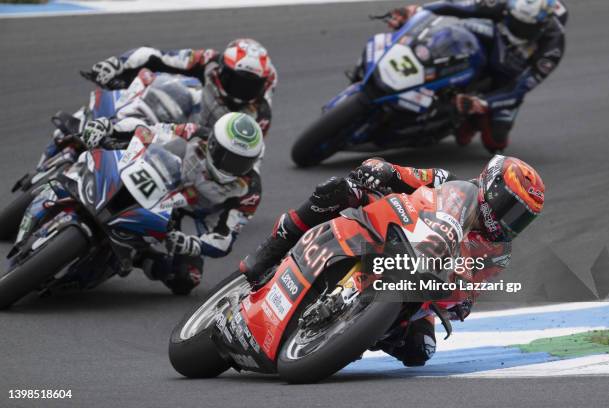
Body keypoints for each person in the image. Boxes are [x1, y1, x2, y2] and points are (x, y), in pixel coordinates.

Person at [240, 155, 545, 366]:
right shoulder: (448, 182)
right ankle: (275, 245)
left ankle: (355, 330)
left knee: (420, 351)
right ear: (492, 186)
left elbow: (470, 292)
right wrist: (383, 171)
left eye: (522, 219)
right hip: (388, 230)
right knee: (340, 188)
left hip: (425, 282)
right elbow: (402, 173)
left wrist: (461, 301)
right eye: (510, 208)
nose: (510, 222)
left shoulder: (497, 253)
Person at [95, 112, 264, 295]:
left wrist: (192, 244)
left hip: (193, 216)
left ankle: (140, 256)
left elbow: (225, 239)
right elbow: (148, 130)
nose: (230, 167)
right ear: (213, 144)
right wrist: (112, 128)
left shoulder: (248, 190)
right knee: (95, 138)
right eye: (227, 157)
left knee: (187, 278)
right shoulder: (195, 133)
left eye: (241, 163)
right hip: (163, 182)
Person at [382, 0, 568, 152]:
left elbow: (519, 89)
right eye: (514, 20)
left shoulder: (552, 49)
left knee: (495, 142)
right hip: (488, 49)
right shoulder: (503, 7)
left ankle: (469, 120)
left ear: (543, 25)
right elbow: (457, 7)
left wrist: (484, 102)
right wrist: (417, 11)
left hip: (505, 82)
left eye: (525, 27)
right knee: (454, 32)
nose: (517, 28)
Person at [83, 38, 277, 137]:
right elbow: (155, 56)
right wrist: (116, 64)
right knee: (176, 91)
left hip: (208, 136)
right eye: (236, 81)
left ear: (263, 83)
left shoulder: (261, 112)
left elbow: (252, 155)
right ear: (222, 69)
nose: (240, 91)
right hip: (195, 107)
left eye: (250, 85)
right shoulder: (209, 60)